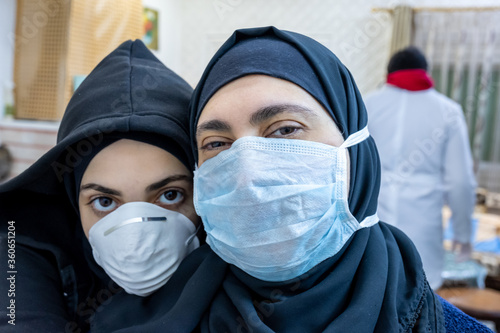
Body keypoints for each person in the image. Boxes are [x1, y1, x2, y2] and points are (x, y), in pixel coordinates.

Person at [100, 27, 491, 333]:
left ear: (355, 149)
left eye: (285, 130)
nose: (249, 174)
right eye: (217, 143)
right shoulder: (148, 316)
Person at [0, 39, 200, 332]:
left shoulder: (232, 253)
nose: (137, 238)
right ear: (71, 197)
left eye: (169, 195)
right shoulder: (21, 242)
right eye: (105, 201)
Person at [363, 46, 477, 290]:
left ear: (388, 73)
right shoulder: (448, 111)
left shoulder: (367, 105)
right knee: (420, 301)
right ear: (425, 71)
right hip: (422, 230)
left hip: (371, 225)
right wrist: (464, 234)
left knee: (372, 294)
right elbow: (461, 182)